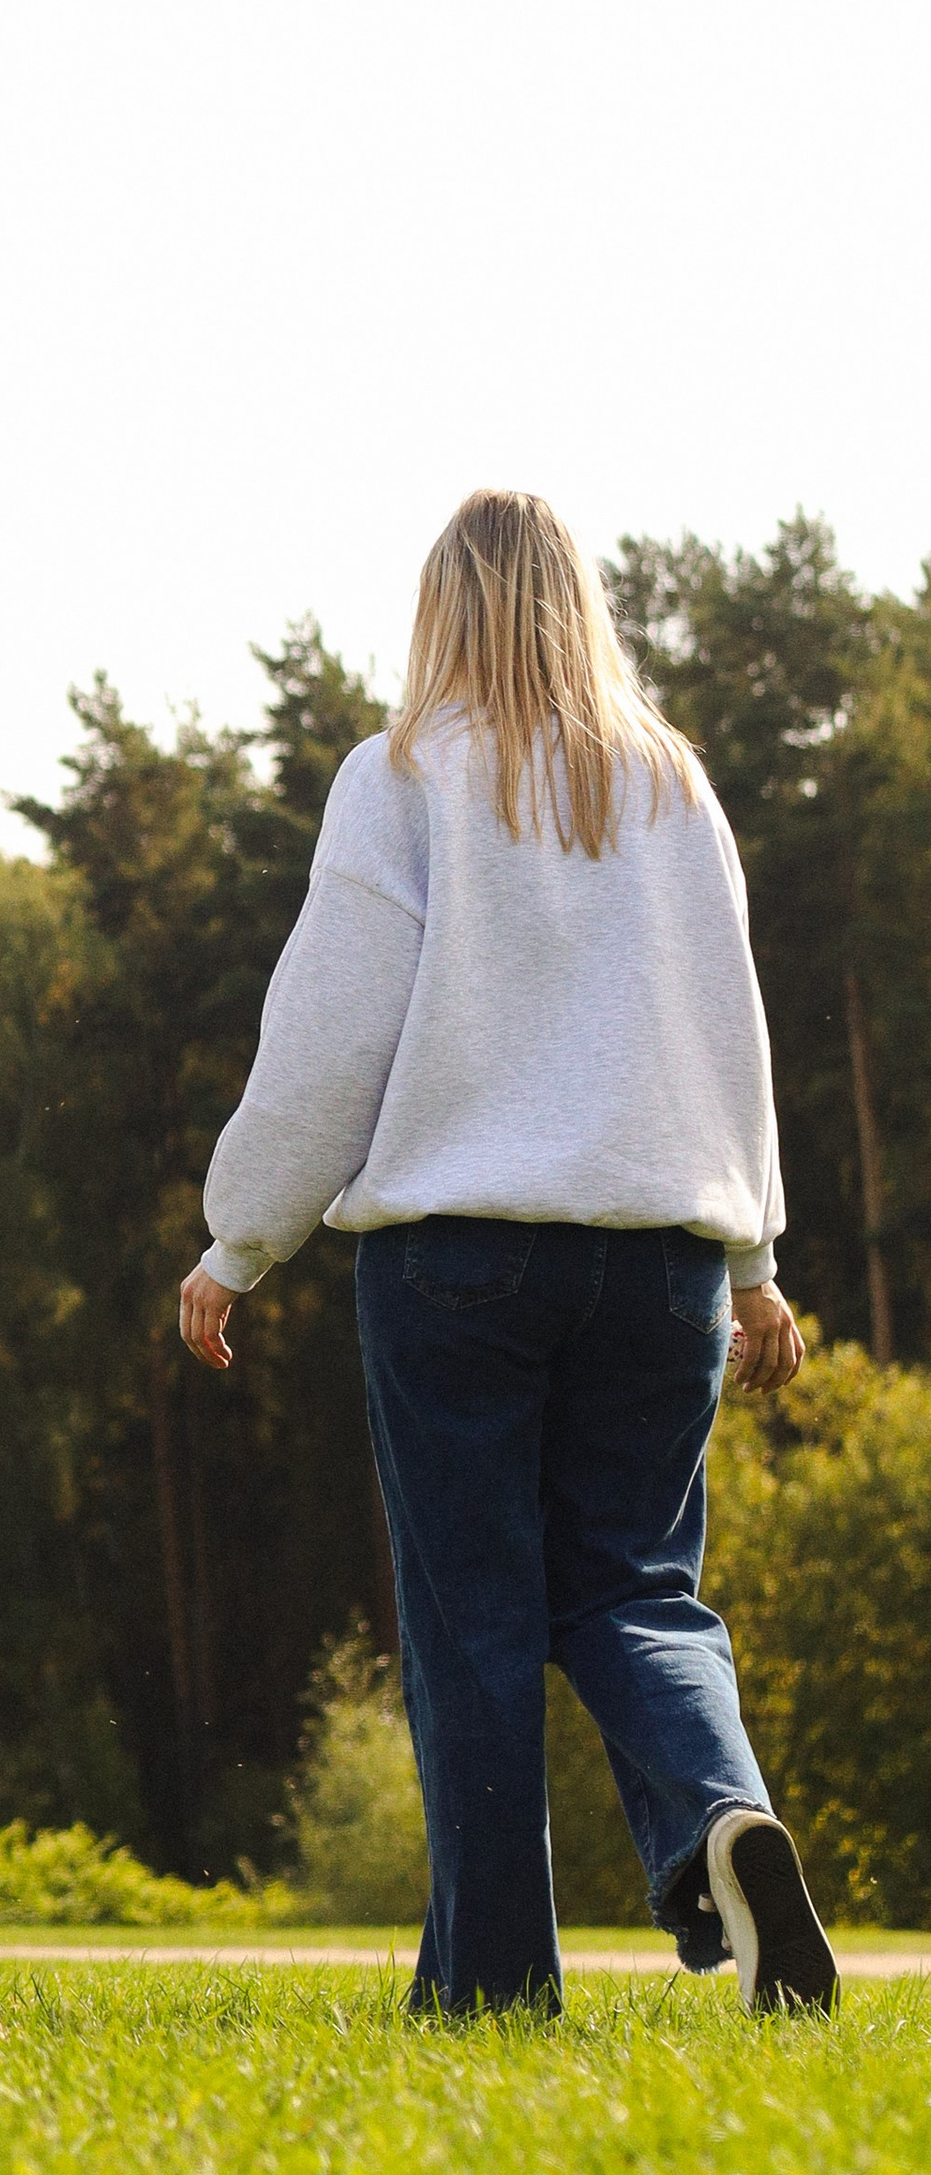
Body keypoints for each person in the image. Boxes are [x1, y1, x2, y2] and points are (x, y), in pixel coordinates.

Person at [178, 488, 835, 2019]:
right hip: (664, 1251)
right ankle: (722, 1815)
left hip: (460, 1259)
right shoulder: (672, 782)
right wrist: (754, 1258)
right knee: (640, 1591)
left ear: (441, 612)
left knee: (470, 1618)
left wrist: (240, 1236)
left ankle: (490, 1991)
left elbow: (333, 1027)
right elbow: (728, 1027)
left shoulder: (404, 774)